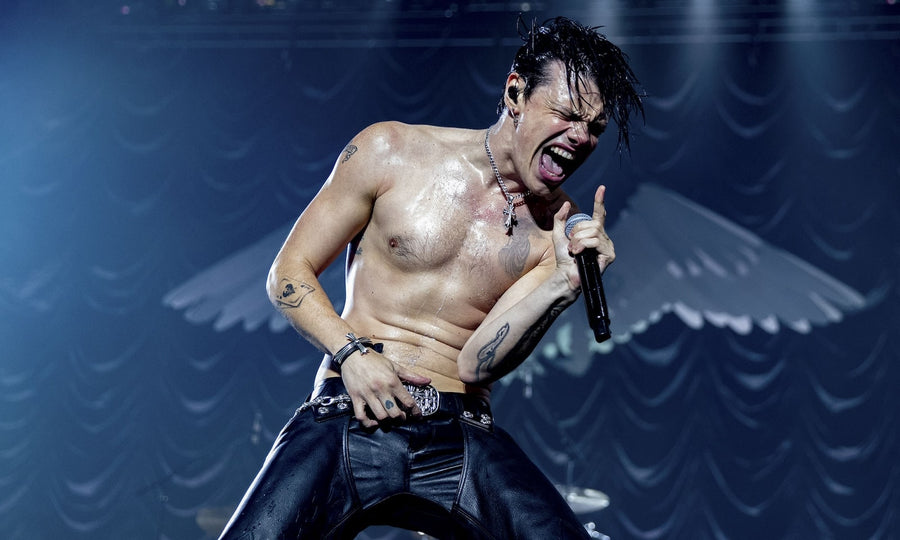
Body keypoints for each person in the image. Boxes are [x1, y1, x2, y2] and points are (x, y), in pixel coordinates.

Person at [219, 16, 643, 540]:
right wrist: (352, 354)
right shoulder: (390, 150)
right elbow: (288, 272)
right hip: (351, 407)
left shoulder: (557, 231)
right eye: (567, 114)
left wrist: (563, 283)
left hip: (462, 432)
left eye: (595, 128)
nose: (580, 137)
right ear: (516, 93)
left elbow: (477, 362)